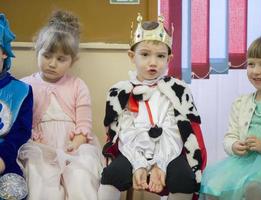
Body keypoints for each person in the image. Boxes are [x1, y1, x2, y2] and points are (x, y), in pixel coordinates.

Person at [98, 13, 207, 200]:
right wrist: (139, 163)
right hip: (132, 151)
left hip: (169, 151)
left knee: (185, 179)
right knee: (110, 176)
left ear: (169, 58)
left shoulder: (177, 90)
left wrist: (160, 165)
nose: (153, 62)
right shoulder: (120, 91)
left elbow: (176, 131)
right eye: (145, 54)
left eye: (160, 56)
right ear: (132, 56)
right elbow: (123, 132)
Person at [200, 35, 261, 200]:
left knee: (254, 186)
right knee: (215, 186)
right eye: (251, 64)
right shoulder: (241, 102)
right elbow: (230, 136)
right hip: (245, 163)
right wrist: (233, 145)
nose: (255, 71)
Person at [17, 10, 102, 200]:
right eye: (47, 56)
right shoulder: (25, 86)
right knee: (40, 179)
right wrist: (34, 138)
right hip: (40, 145)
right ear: (37, 50)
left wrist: (77, 142)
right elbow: (22, 122)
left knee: (81, 176)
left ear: (72, 60)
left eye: (61, 59)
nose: (52, 64)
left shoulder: (78, 85)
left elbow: (84, 123)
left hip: (73, 144)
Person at [0, 13, 32, 200]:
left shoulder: (21, 91)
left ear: (4, 52)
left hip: (5, 156)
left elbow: (21, 131)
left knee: (13, 192)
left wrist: (3, 158)